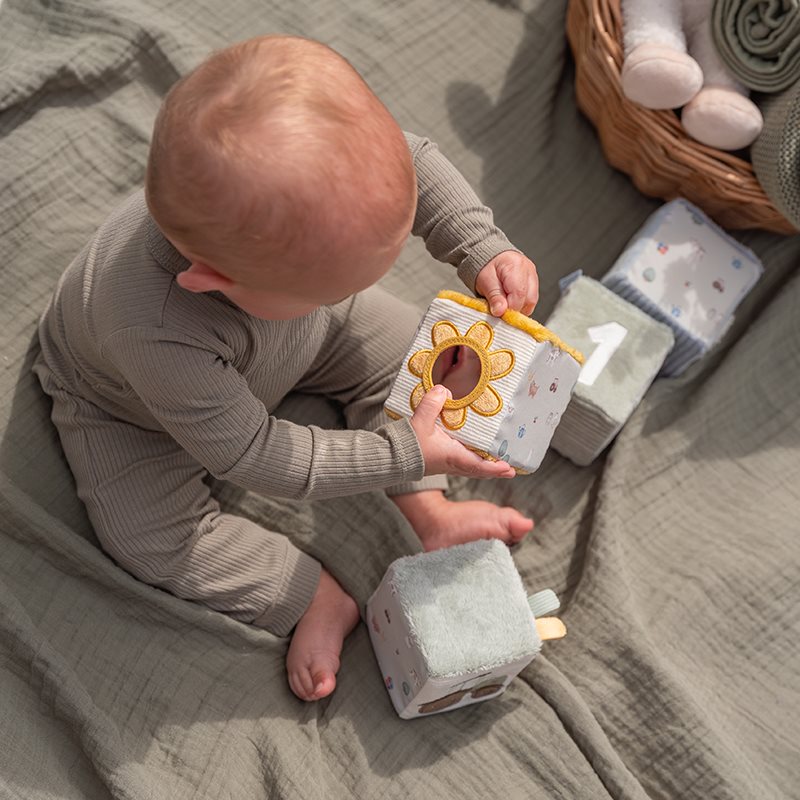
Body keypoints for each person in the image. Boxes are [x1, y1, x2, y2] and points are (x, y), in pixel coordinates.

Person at [33, 34, 540, 702]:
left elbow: (413, 162)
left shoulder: (288, 231)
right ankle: (308, 597)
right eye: (333, 285)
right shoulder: (152, 327)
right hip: (133, 412)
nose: (351, 288)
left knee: (414, 362)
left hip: (299, 333)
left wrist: (480, 246)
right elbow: (259, 456)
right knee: (150, 535)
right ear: (213, 279)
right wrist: (401, 453)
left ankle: (429, 511)